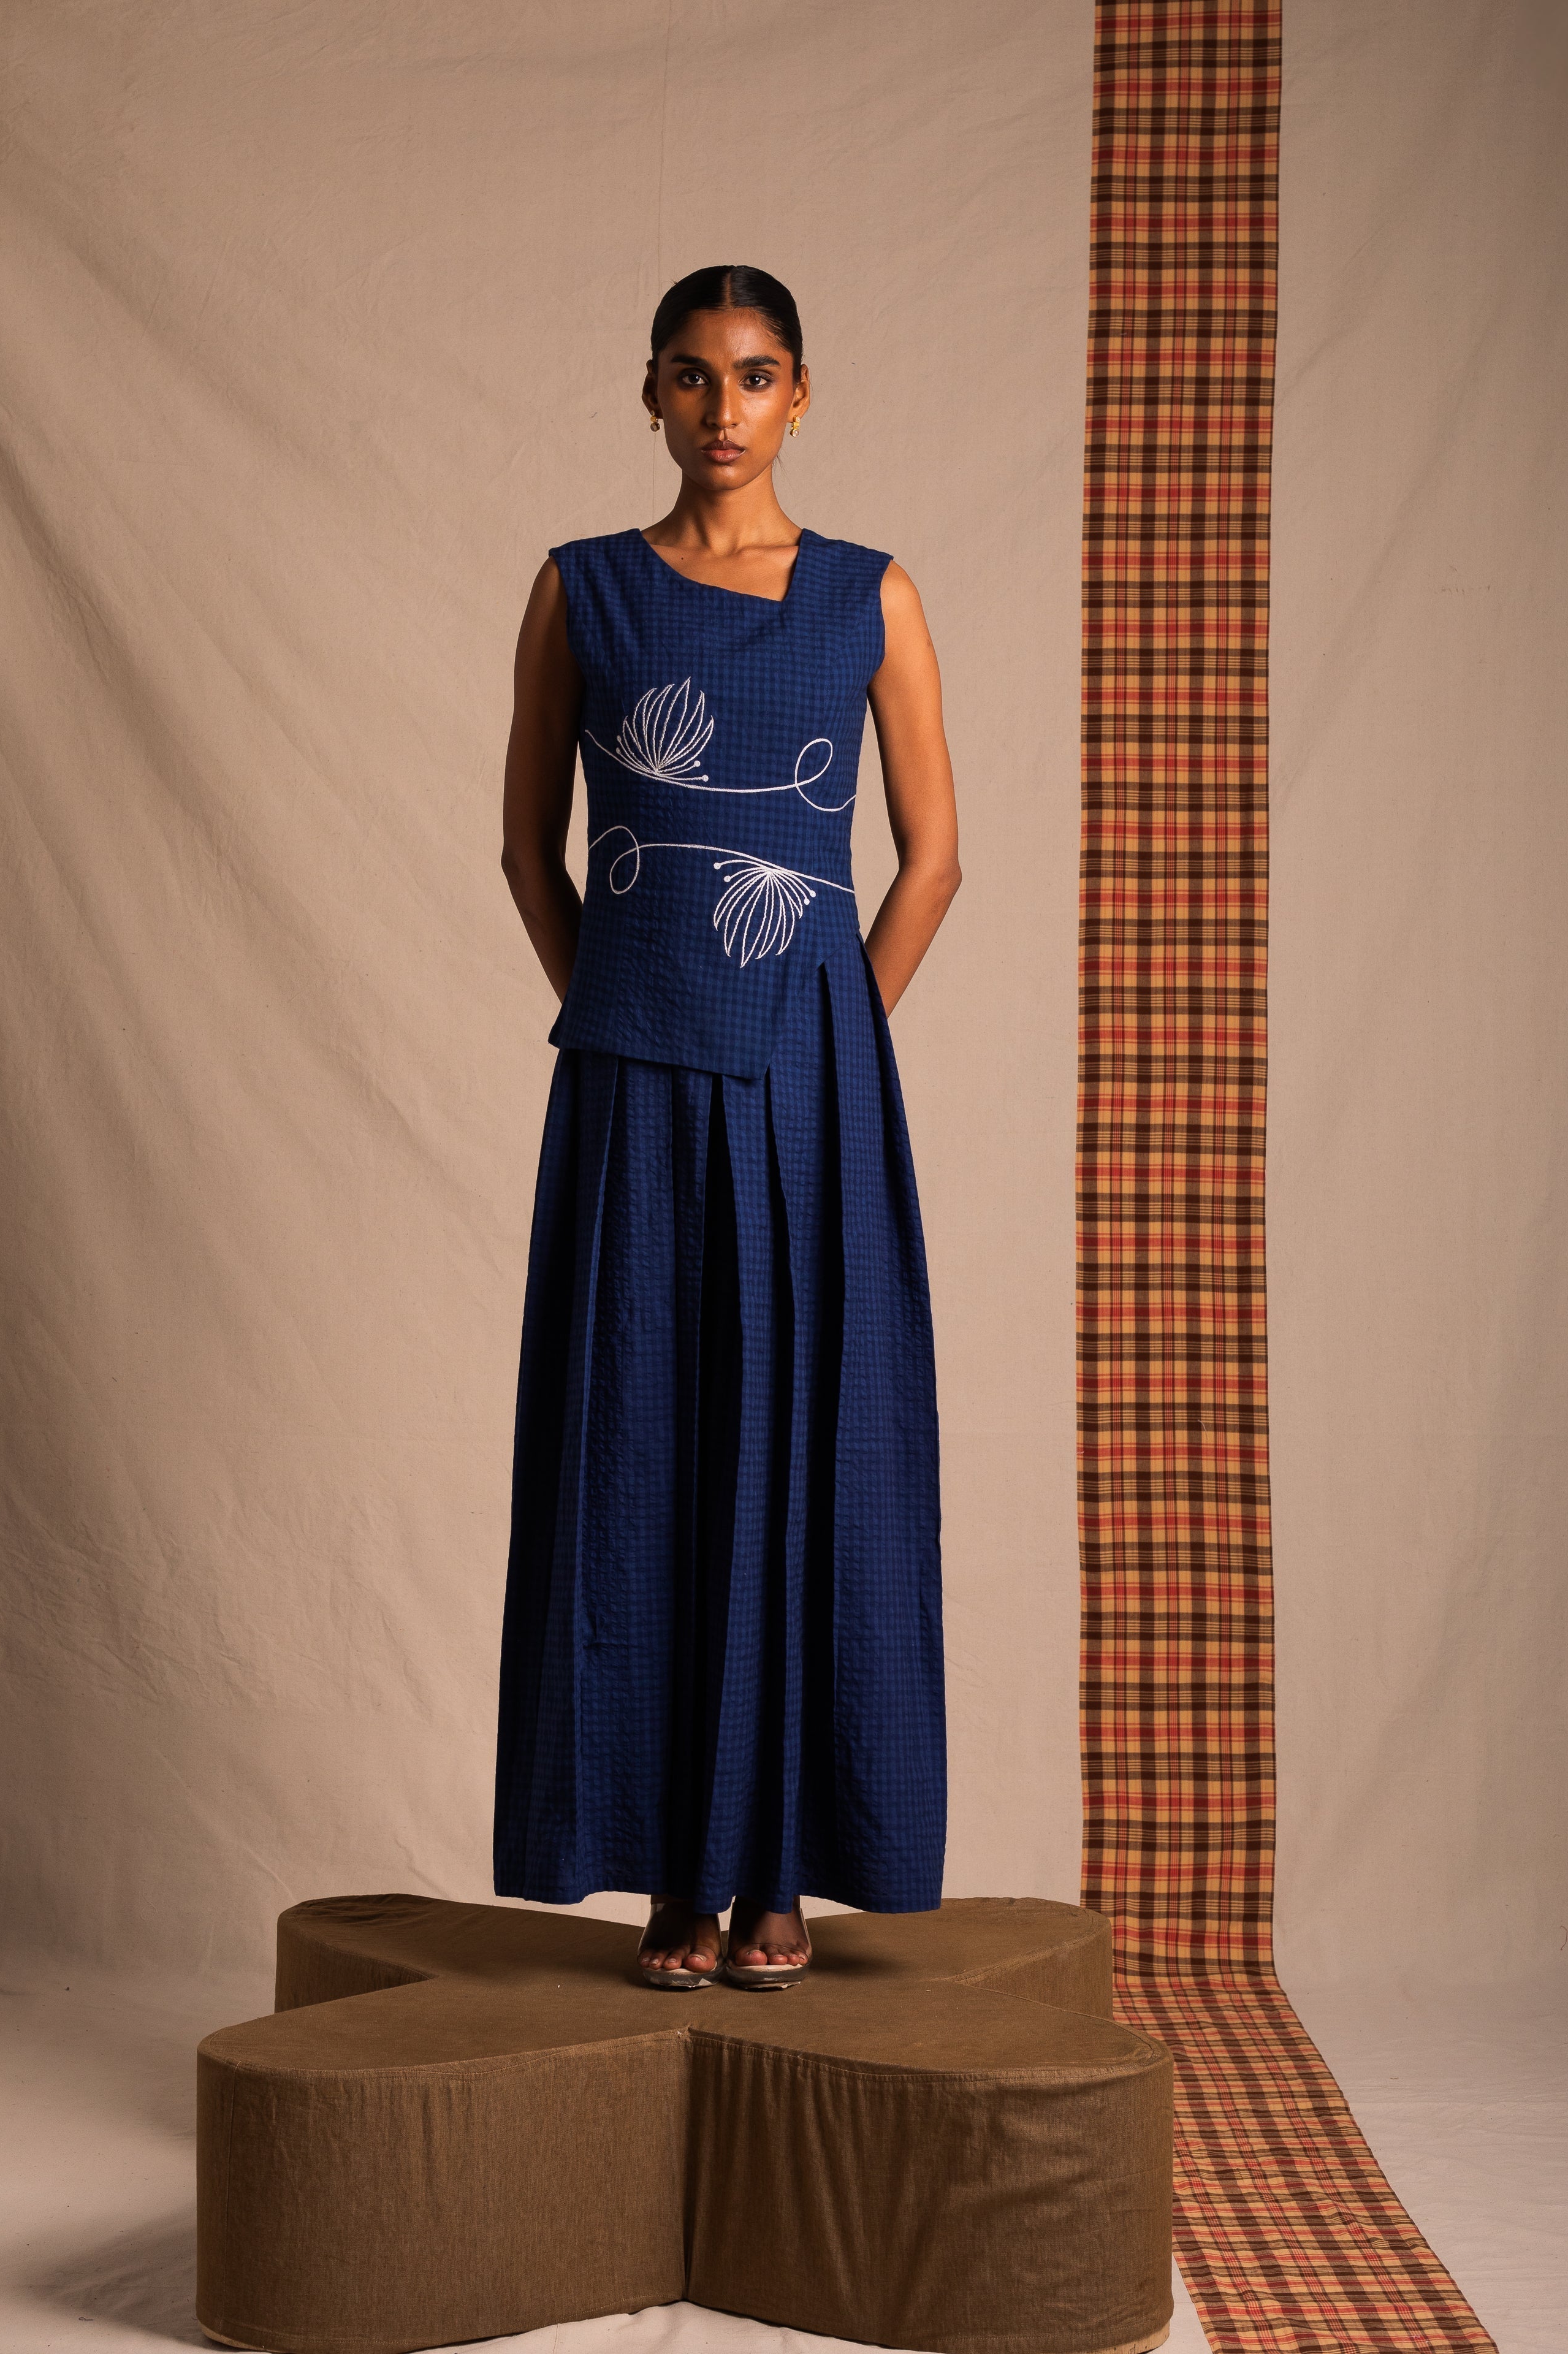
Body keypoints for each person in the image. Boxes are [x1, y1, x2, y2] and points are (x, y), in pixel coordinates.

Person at [492, 264, 960, 1990]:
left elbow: (934, 858)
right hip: (628, 1079)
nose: (721, 412)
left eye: (753, 379)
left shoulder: (868, 597)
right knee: (641, 1459)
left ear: (800, 397)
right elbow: (528, 846)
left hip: (809, 1086)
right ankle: (666, 1882)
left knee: (804, 1459)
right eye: (690, 380)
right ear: (652, 397)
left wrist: (832, 1024)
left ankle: (777, 1877)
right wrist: (617, 1003)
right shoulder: (582, 593)